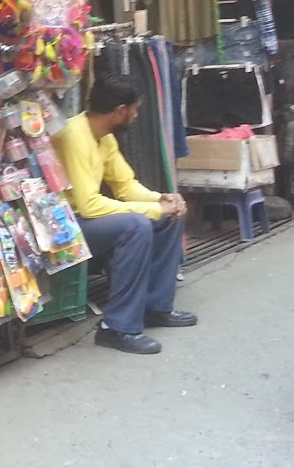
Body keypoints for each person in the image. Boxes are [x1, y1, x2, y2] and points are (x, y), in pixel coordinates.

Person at [51, 76, 196, 355]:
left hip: (88, 219)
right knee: (137, 225)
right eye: (135, 109)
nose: (136, 115)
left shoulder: (104, 137)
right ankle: (116, 328)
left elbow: (125, 185)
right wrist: (153, 209)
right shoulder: (74, 135)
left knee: (170, 216)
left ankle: (154, 307)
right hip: (65, 225)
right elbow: (88, 205)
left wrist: (162, 199)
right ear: (120, 110)